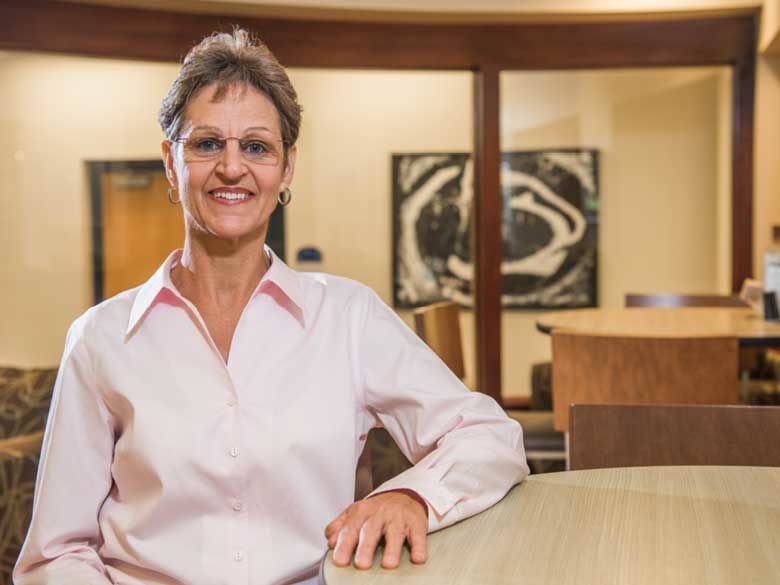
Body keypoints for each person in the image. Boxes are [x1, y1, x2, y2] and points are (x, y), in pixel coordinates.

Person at [14, 29, 528, 585]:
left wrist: (412, 495)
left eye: (256, 147)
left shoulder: (348, 318)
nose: (232, 168)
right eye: (207, 143)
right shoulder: (100, 338)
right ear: (170, 162)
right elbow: (56, 554)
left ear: (286, 169)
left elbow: (491, 437)